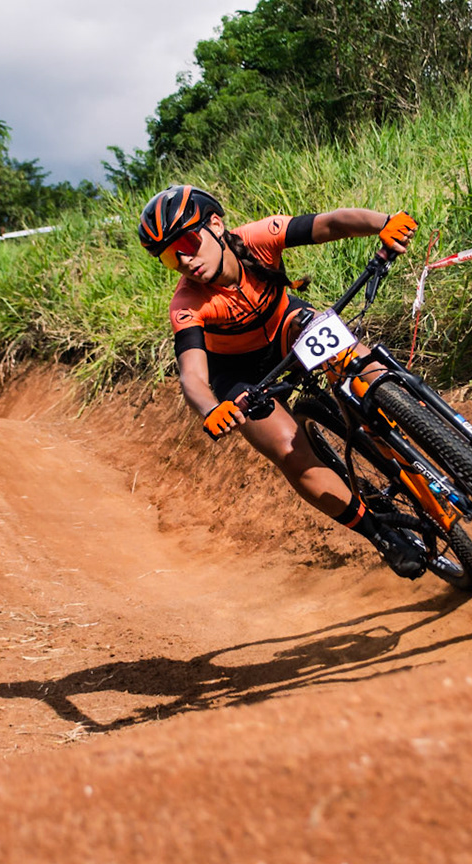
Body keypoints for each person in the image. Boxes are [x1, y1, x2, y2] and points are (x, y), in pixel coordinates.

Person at [137, 183, 426, 577]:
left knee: (350, 355)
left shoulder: (257, 238)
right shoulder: (187, 304)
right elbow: (192, 375)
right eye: (171, 257)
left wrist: (384, 224)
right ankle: (380, 535)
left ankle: (419, 425)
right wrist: (211, 408)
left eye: (187, 240)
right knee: (289, 451)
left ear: (216, 224)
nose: (185, 259)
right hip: (238, 375)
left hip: (287, 328)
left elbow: (330, 223)